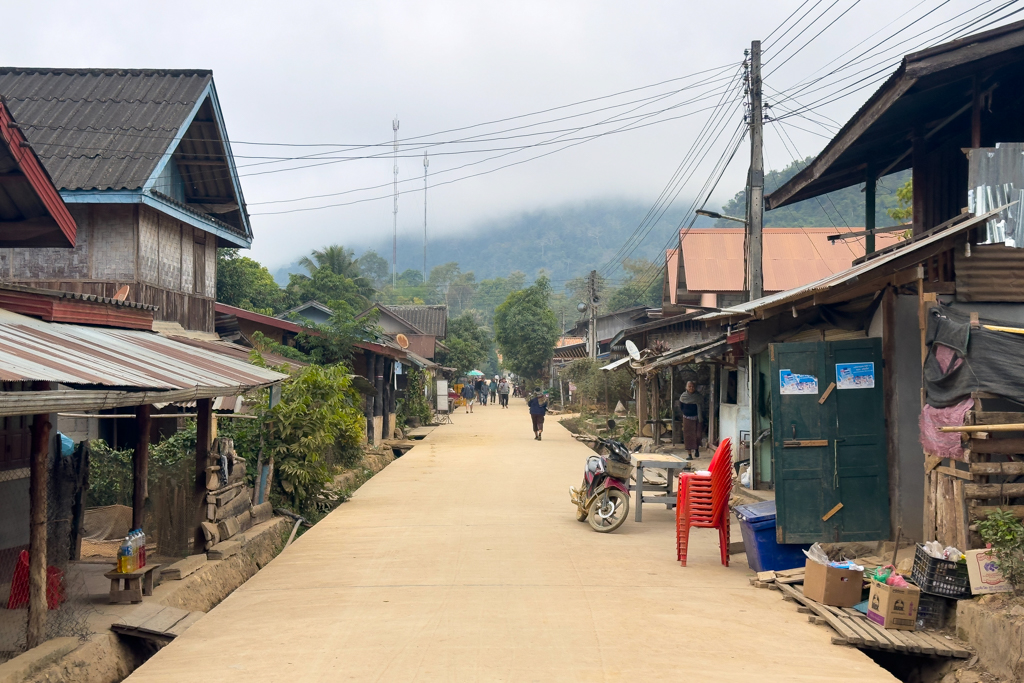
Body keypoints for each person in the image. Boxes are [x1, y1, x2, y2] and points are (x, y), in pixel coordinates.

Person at [678, 380, 702, 460]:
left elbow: (702, 407)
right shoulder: (683, 396)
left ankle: (696, 449)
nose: (691, 388)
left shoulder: (698, 396)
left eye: (692, 386)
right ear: (686, 387)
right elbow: (681, 407)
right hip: (687, 419)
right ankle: (689, 454)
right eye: (689, 386)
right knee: (688, 437)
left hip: (697, 418)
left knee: (697, 435)